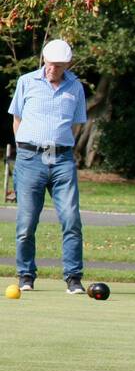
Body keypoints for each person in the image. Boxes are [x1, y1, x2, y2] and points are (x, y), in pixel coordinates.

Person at [8, 39, 89, 294]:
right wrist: (24, 149)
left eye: (59, 66)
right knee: (26, 222)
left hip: (62, 159)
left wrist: (62, 145)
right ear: (44, 59)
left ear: (68, 65)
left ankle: (73, 278)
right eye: (51, 64)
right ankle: (26, 275)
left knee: (71, 219)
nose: (53, 69)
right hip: (30, 158)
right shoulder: (26, 82)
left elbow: (77, 124)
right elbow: (17, 119)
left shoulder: (75, 87)